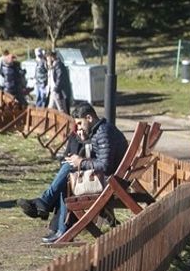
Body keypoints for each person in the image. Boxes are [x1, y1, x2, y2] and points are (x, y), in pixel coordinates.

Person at [16, 103, 127, 244]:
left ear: (89, 117)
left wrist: (80, 162)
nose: (78, 127)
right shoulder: (101, 130)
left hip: (110, 182)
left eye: (80, 123)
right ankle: (58, 225)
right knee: (68, 172)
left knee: (70, 169)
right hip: (111, 179)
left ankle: (48, 208)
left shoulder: (103, 133)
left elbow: (105, 165)